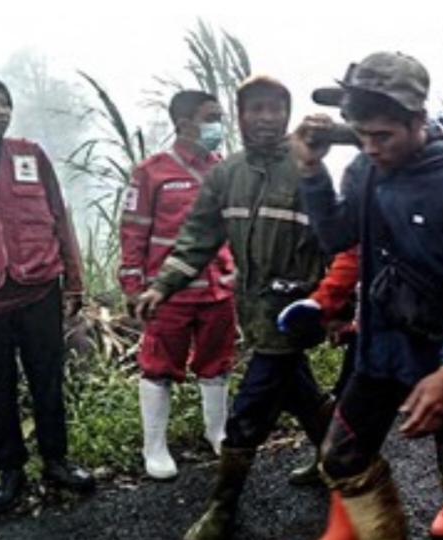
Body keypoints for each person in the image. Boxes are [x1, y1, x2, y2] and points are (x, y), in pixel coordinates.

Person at [291, 51, 443, 540]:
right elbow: (336, 236)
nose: (370, 147)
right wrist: (311, 173)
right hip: (381, 345)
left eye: (383, 136)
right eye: (361, 135)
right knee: (342, 457)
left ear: (418, 121)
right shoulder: (366, 170)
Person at [134, 75, 333, 540]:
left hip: (294, 312)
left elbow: (333, 239)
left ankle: (222, 509)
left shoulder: (306, 170)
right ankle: (339, 458)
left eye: (275, 108)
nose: (267, 118)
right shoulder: (227, 175)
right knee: (300, 392)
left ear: (287, 115)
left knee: (247, 415)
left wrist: (334, 304)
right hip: (254, 310)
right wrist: (162, 286)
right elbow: (197, 238)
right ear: (241, 115)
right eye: (256, 108)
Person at [0, 72, 96, 514]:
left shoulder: (29, 155)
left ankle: (57, 461)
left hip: (40, 290)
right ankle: (10, 473)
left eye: (6, 103)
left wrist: (73, 281)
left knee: (47, 381)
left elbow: (59, 216)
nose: (1, 111)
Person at [118, 90, 237, 480]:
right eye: (211, 118)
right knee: (158, 366)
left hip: (218, 288)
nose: (218, 126)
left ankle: (217, 432)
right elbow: (133, 231)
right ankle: (154, 447)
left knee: (216, 363)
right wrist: (133, 285)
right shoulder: (151, 172)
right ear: (185, 123)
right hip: (167, 293)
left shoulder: (223, 168)